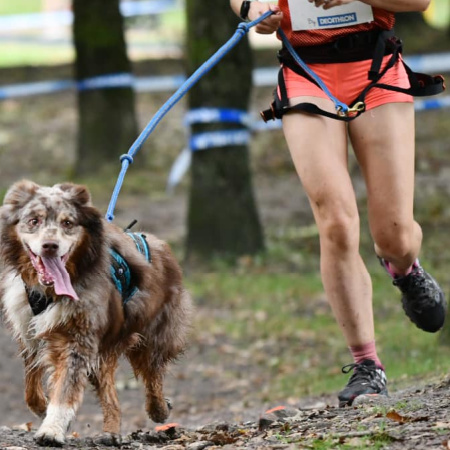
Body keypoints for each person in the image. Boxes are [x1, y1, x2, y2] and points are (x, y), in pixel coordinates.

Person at [230, 0, 446, 406]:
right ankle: (368, 366)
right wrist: (252, 8)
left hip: (375, 66)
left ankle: (405, 268)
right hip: (305, 73)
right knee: (335, 222)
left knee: (394, 235)